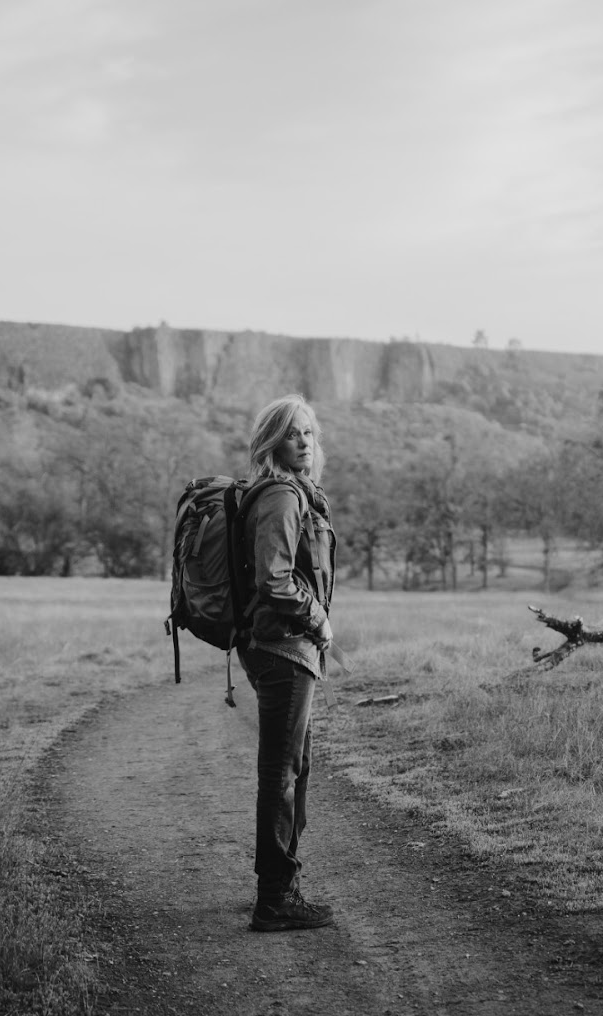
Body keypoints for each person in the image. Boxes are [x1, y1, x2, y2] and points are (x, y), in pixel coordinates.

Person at [238, 393, 336, 932]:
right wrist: (317, 620)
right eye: (293, 433)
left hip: (286, 647)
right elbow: (273, 580)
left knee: (293, 767)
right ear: (273, 440)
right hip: (282, 649)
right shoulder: (280, 496)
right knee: (280, 772)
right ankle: (274, 899)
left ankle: (281, 885)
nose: (304, 441)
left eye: (311, 433)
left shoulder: (298, 494)